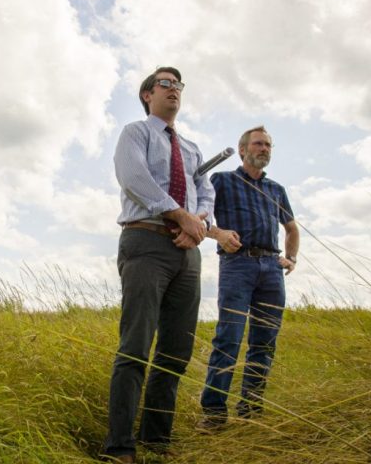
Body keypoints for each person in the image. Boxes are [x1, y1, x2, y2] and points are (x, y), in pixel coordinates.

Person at [103, 67, 215, 463]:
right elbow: (134, 177)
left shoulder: (192, 148)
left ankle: (156, 440)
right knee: (135, 346)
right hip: (146, 241)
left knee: (176, 349)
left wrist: (196, 222)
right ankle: (120, 447)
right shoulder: (136, 133)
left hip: (187, 252)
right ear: (147, 95)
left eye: (179, 85)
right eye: (166, 84)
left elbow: (206, 190)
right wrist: (176, 214)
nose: (175, 90)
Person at [198, 125, 300, 430]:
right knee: (228, 337)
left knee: (264, 342)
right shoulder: (223, 181)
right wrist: (218, 234)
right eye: (258, 144)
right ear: (242, 150)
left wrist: (290, 258)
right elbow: (201, 217)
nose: (264, 149)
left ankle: (250, 409)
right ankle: (214, 413)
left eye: (268, 145)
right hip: (237, 265)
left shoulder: (276, 189)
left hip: (271, 269)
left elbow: (292, 228)